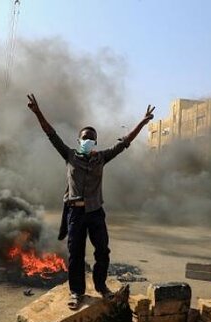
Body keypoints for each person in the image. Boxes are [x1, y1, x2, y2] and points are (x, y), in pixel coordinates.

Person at [27, 93, 155, 310]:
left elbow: (125, 143)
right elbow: (51, 134)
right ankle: (76, 292)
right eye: (84, 137)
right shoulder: (69, 155)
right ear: (79, 140)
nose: (87, 140)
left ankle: (101, 286)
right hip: (75, 214)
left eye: (91, 138)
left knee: (102, 251)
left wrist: (142, 122)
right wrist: (38, 112)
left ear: (95, 142)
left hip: (96, 213)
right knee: (76, 254)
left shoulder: (101, 158)